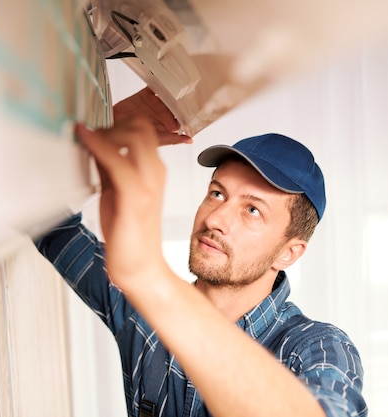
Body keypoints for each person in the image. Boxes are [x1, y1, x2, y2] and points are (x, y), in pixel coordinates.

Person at [35, 87, 367, 417]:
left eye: (253, 210)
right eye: (218, 193)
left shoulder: (317, 348)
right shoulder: (140, 306)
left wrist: (152, 279)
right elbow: (43, 217)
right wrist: (101, 130)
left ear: (289, 253)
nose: (215, 218)